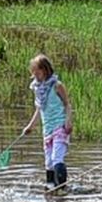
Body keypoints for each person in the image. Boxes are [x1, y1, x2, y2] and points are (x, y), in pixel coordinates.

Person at [22, 54, 73, 190]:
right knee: (49, 162)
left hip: (60, 127)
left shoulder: (57, 86)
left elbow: (67, 104)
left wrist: (68, 121)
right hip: (47, 129)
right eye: (33, 71)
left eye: (37, 71)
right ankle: (51, 188)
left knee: (57, 158)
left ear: (45, 70)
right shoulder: (38, 89)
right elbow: (39, 109)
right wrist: (30, 126)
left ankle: (62, 189)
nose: (34, 74)